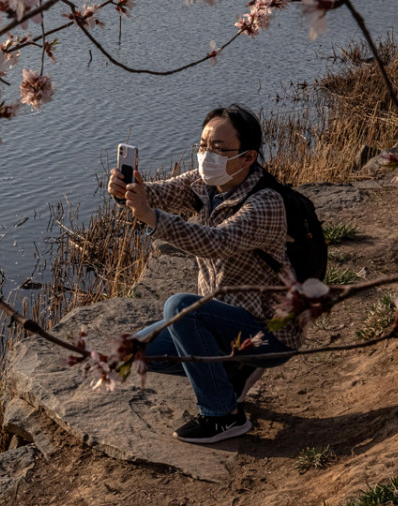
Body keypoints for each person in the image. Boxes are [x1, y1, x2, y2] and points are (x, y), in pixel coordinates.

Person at [107, 104, 303, 444]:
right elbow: (162, 192)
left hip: (271, 330)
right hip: (226, 320)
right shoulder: (205, 183)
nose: (206, 155)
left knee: (180, 307)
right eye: (202, 145)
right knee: (134, 351)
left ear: (247, 157)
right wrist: (129, 191)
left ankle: (223, 416)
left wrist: (152, 219)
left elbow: (216, 241)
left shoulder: (266, 203)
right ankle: (231, 371)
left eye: (218, 149)